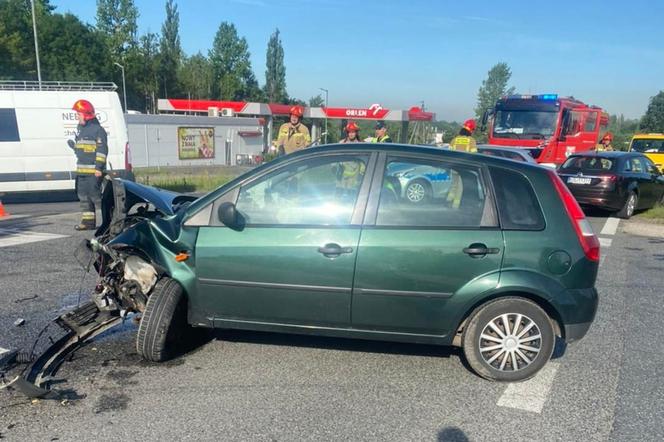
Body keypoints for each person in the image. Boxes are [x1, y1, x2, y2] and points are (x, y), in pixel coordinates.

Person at [67, 99, 107, 231]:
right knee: (84, 198)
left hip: (93, 173)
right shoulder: (81, 130)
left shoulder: (98, 130)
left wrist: (99, 169)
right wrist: (75, 147)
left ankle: (110, 222)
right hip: (82, 172)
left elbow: (102, 151)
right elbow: (84, 150)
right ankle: (88, 223)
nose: (77, 117)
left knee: (97, 199)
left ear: (86, 114)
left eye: (78, 114)